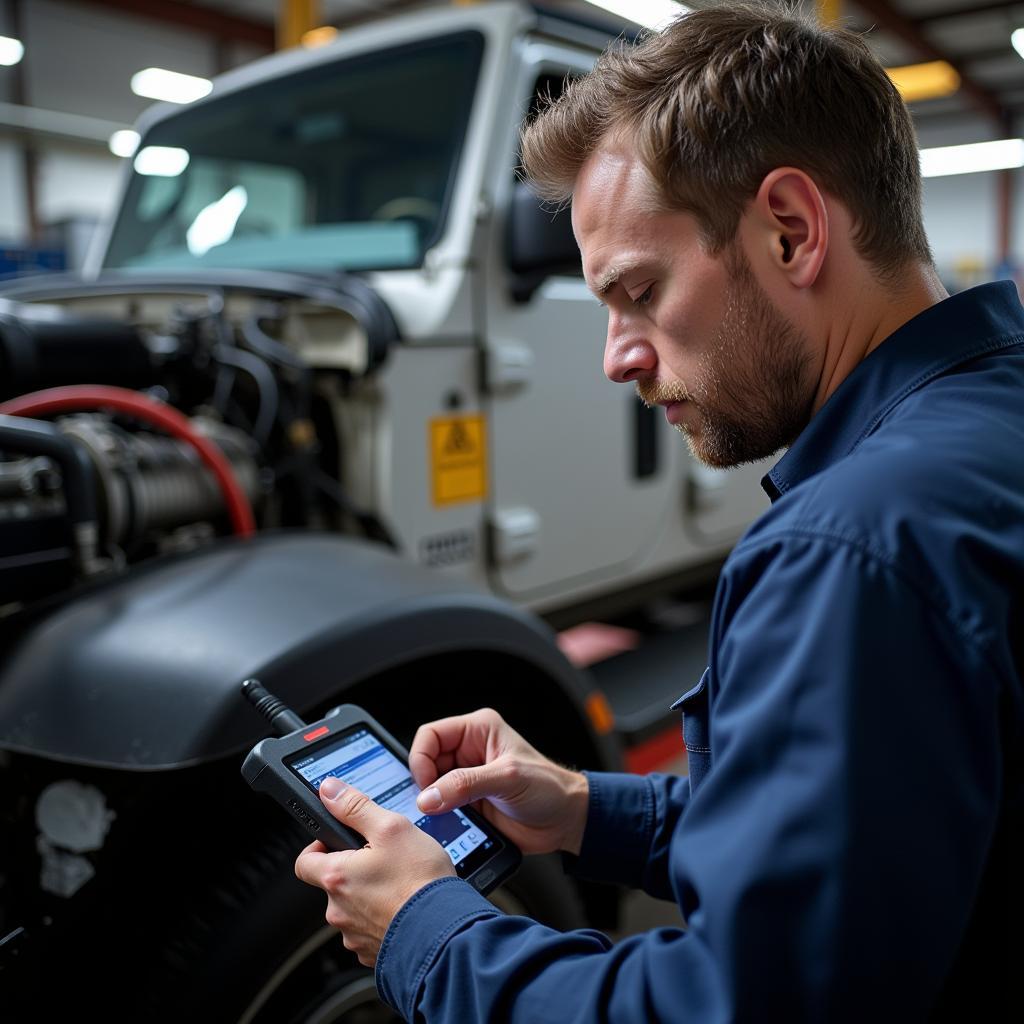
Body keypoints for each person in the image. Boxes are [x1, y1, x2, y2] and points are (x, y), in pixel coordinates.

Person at [294, 3, 1021, 1019]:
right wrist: (592, 809)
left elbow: (734, 1004)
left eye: (638, 292)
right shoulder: (990, 423)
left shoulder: (848, 549)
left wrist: (426, 929)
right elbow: (877, 833)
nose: (616, 357)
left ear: (791, 230)